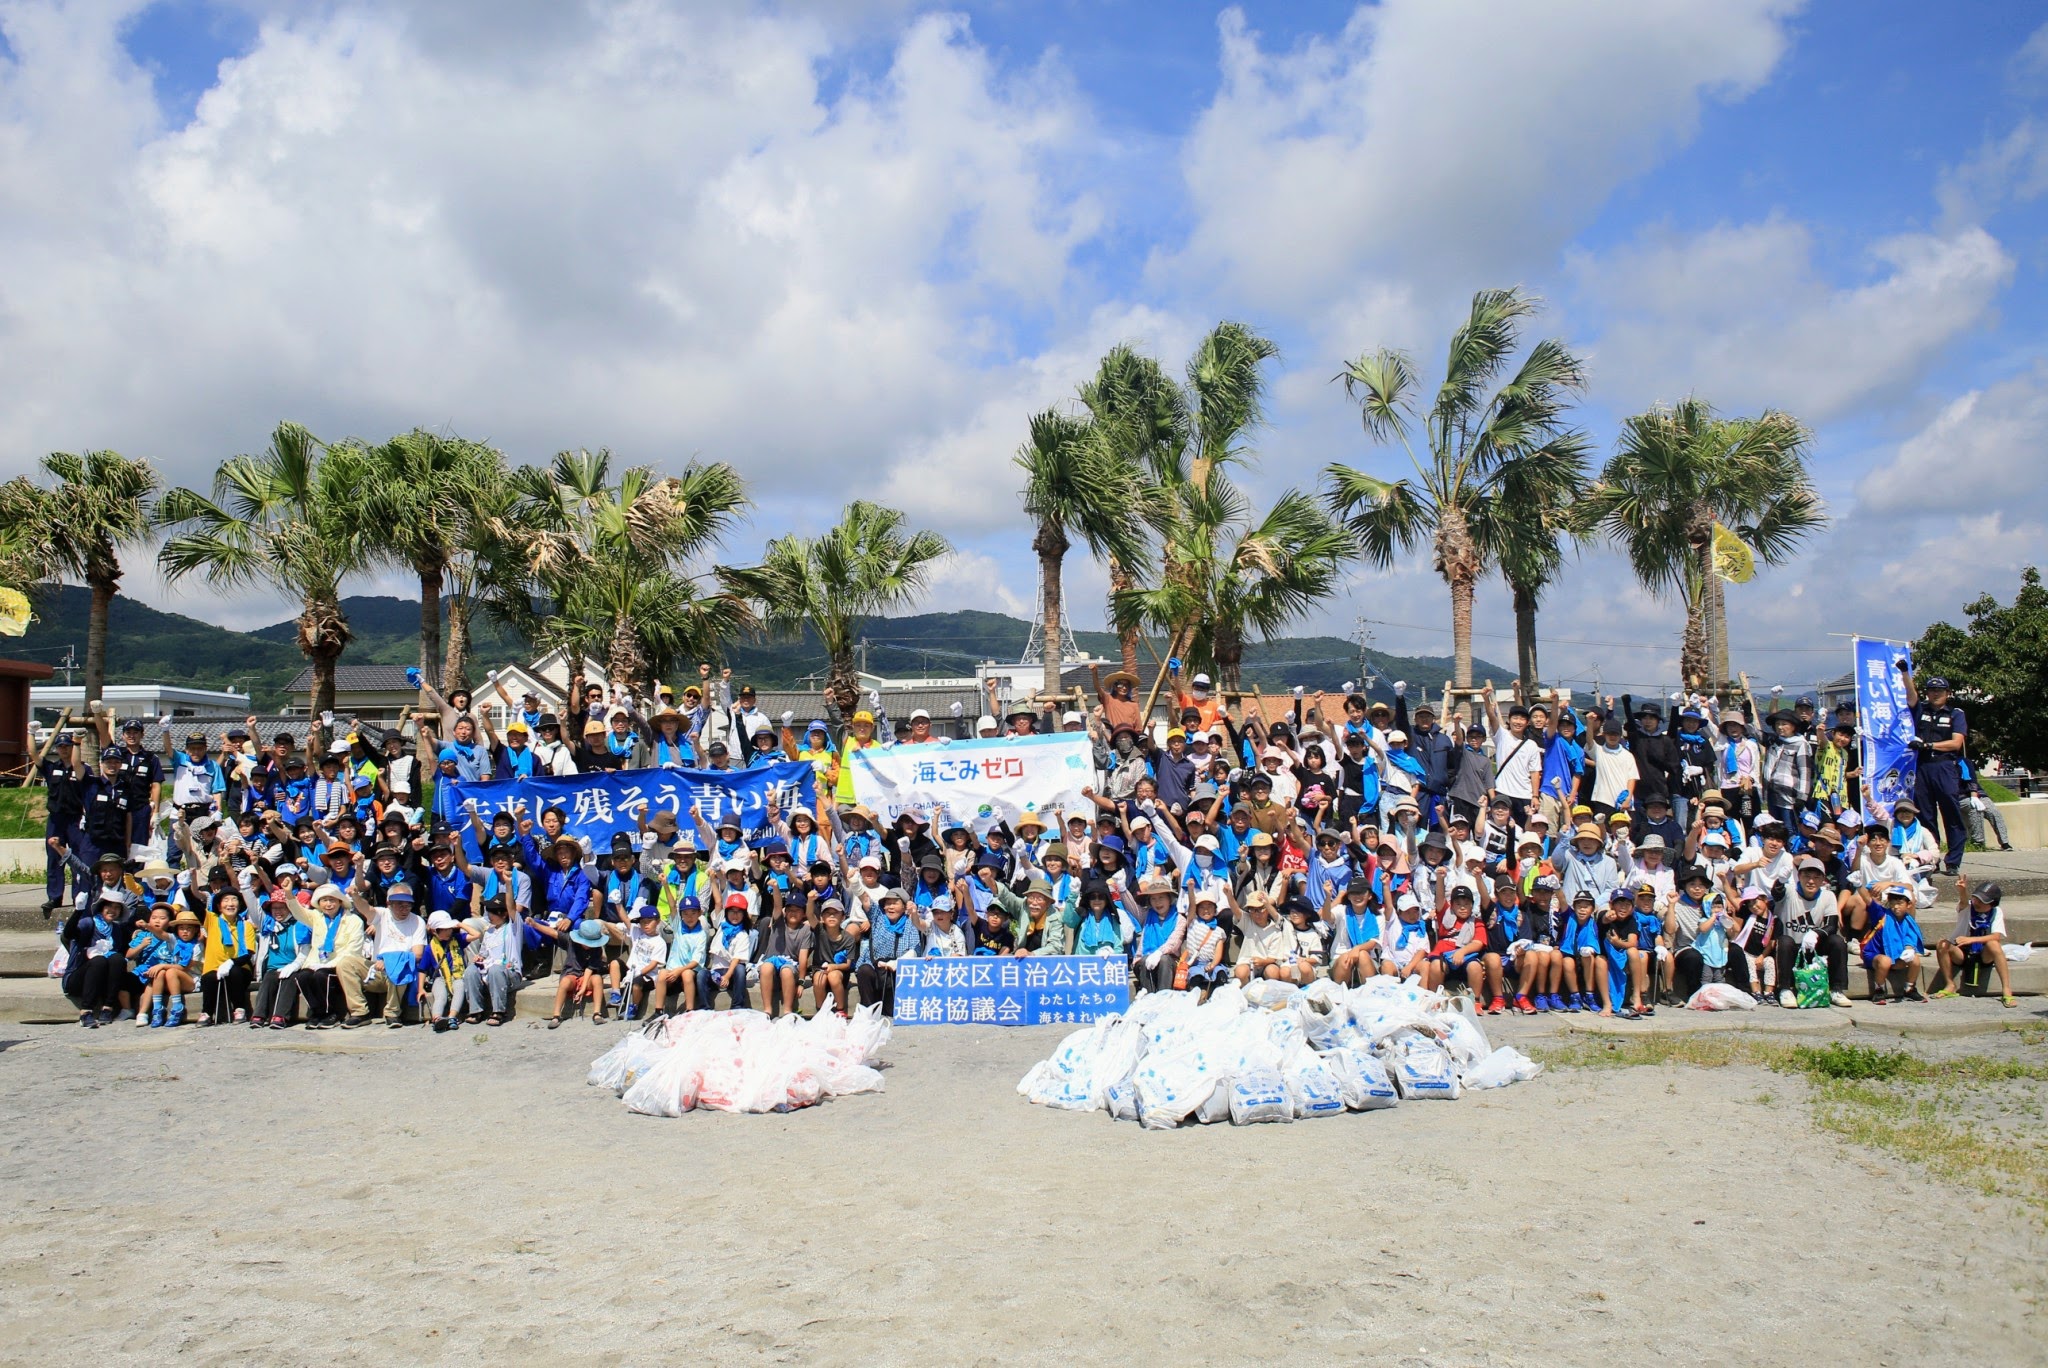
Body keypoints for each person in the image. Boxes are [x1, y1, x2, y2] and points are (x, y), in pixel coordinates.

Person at [1897, 666, 1967, 875]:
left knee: (1951, 813)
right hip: (1922, 767)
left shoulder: (1956, 714)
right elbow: (1911, 696)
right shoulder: (1922, 710)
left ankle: (1953, 861)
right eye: (1931, 690)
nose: (1935, 694)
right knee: (1926, 815)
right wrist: (1905, 673)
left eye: (1940, 691)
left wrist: (1929, 746)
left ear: (1947, 693)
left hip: (1944, 766)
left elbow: (1956, 743)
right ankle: (1931, 859)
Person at [1773, 854, 1850, 1009]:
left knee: (1837, 941)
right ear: (1799, 876)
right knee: (1785, 941)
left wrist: (1816, 933)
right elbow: (1777, 893)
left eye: (1816, 877)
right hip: (1792, 949)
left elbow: (1832, 925)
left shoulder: (1828, 896)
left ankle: (1837, 989)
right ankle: (1785, 989)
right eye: (1806, 876)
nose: (1811, 881)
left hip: (1813, 949)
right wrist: (1779, 881)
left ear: (1823, 880)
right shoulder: (1790, 891)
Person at [1934, 876, 2015, 1006]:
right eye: (1976, 898)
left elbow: (1996, 936)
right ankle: (1950, 984)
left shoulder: (1996, 912)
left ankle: (2006, 989)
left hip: (1984, 953)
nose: (1977, 903)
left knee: (1994, 945)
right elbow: (1963, 902)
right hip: (1962, 952)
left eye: (1982, 901)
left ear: (1992, 904)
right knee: (1942, 944)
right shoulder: (1967, 908)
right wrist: (1962, 891)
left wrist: (1971, 940)